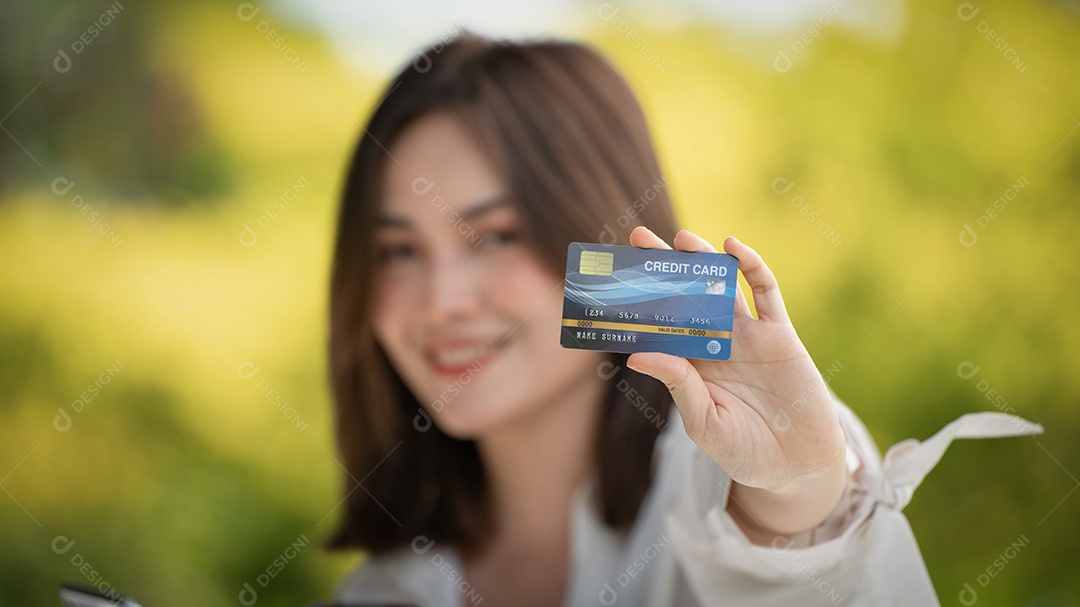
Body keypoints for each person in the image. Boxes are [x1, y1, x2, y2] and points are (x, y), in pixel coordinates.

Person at [324, 33, 1040, 607]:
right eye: (397, 250)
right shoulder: (381, 591)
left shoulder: (716, 483)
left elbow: (799, 542)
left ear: (610, 238)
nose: (441, 300)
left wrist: (800, 496)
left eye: (496, 236)